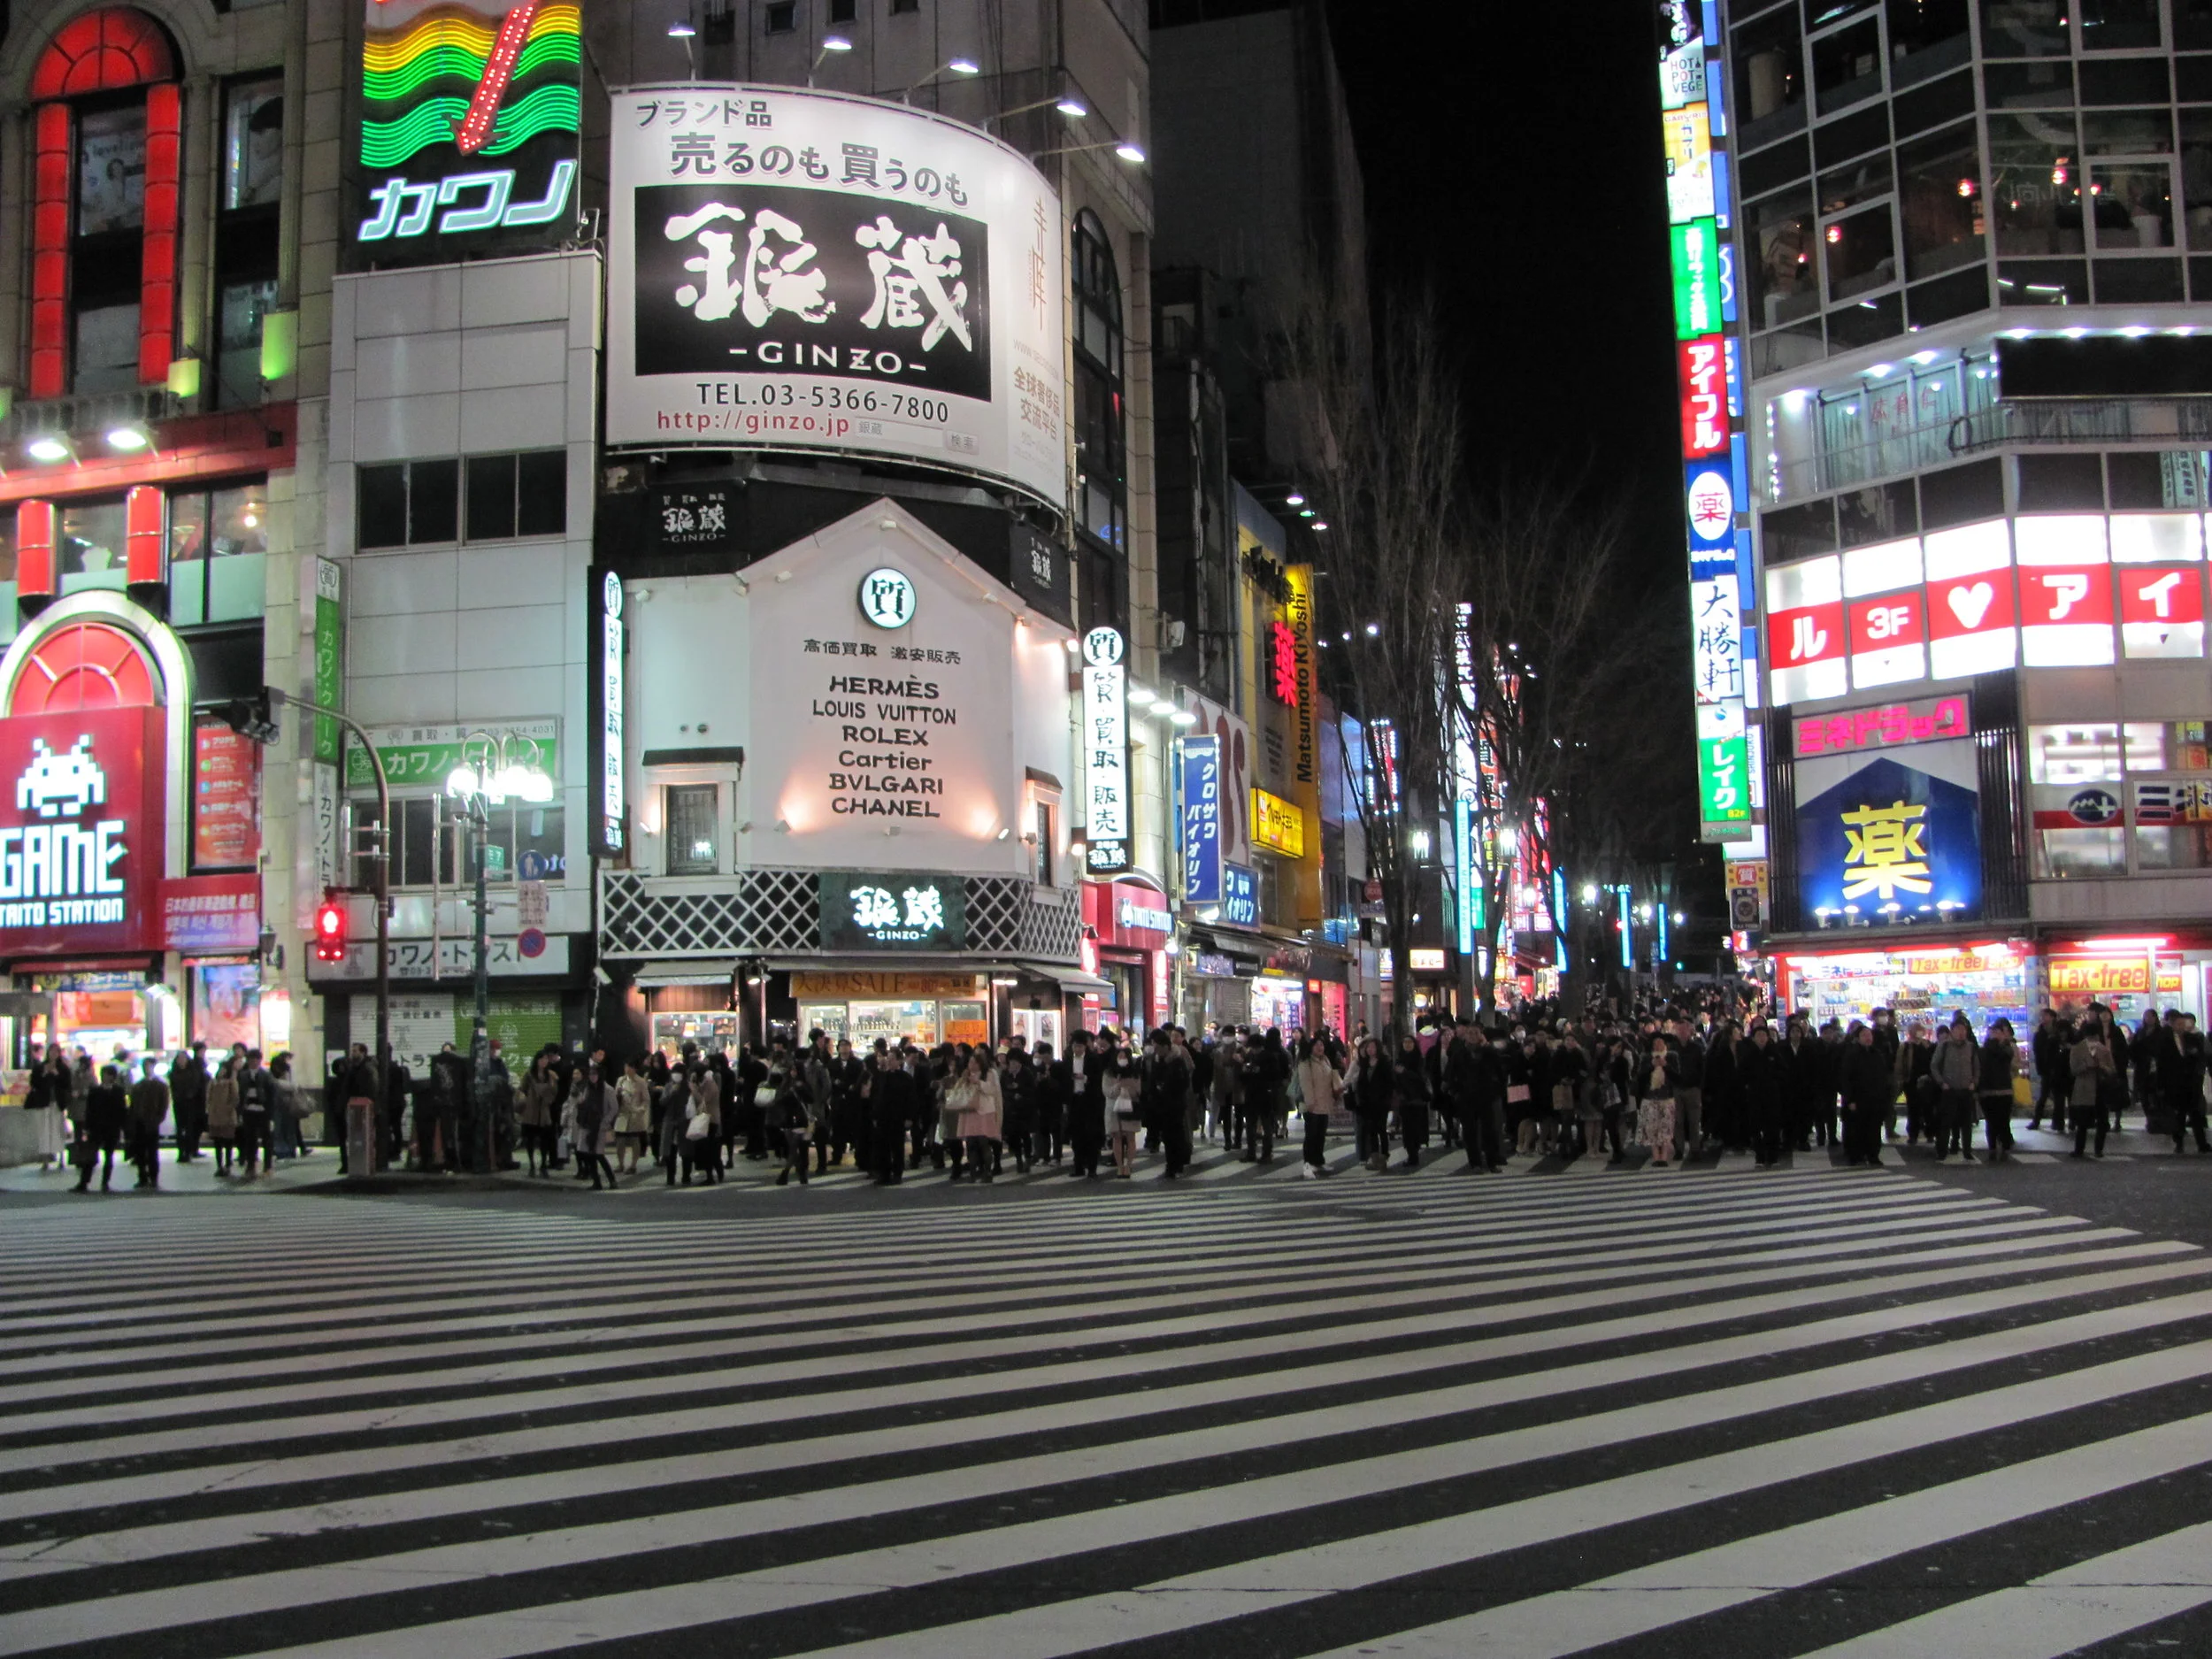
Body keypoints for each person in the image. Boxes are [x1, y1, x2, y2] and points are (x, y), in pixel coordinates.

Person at [1838, 1023, 1891, 1167]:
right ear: (1857, 1038)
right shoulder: (1852, 1055)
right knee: (1857, 1129)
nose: (1868, 1038)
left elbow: (1883, 1077)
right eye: (1864, 1035)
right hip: (1858, 1098)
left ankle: (1873, 1155)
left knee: (1874, 1129)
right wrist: (1850, 1100)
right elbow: (1846, 1079)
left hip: (1875, 1099)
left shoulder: (1877, 1054)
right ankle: (1855, 1155)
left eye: (1869, 1035)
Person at [1930, 1015, 1979, 1162]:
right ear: (1952, 1031)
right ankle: (1942, 1151)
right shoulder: (1944, 1046)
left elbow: (1976, 1067)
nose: (1961, 1032)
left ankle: (1967, 1151)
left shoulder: (1971, 1047)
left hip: (1966, 1090)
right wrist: (1941, 1082)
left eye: (1963, 1029)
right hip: (1949, 1090)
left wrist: (1974, 1083)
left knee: (1966, 1123)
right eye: (1958, 1029)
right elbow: (1934, 1066)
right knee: (1946, 1122)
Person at [1294, 1034, 1341, 1178]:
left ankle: (1319, 1161)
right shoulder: (1306, 1063)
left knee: (1321, 1135)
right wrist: (1310, 1103)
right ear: (1311, 1048)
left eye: (1322, 1045)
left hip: (1325, 1104)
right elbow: (1306, 1084)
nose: (1320, 1047)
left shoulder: (1325, 1060)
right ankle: (1309, 1163)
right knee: (1311, 1135)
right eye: (1317, 1045)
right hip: (1312, 1105)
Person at [75, 1064, 127, 1192]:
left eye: (107, 1075)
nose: (104, 1077)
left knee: (109, 1157)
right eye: (103, 1074)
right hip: (96, 1128)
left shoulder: (118, 1091)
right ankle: (84, 1182)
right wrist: (87, 1127)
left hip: (112, 1128)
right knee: (90, 1156)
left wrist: (123, 1127)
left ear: (112, 1077)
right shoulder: (95, 1091)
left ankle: (105, 1182)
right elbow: (89, 1110)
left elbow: (122, 1110)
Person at [2070, 1019, 2116, 1159]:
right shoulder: (2077, 1049)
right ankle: (2079, 1149)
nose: (2093, 1040)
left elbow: (2112, 1069)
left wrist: (2102, 1067)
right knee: (2082, 1123)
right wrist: (2085, 1066)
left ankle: (2098, 1149)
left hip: (2100, 1088)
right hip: (2084, 1089)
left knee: (2102, 1121)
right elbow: (2074, 1070)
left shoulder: (2103, 1050)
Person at [1978, 1018, 2020, 1163]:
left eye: (1999, 1032)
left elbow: (2006, 1056)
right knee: (1991, 1121)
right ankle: (1993, 1148)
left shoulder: (2007, 1048)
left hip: (2004, 1090)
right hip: (1988, 1090)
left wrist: (1998, 1042)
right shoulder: (1984, 1050)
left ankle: (2005, 1147)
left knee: (2003, 1121)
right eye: (1993, 1031)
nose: (1996, 1034)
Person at [1633, 1034, 1678, 1166]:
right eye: (1656, 1043)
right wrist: (1650, 1067)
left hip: (1667, 1097)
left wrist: (1666, 1067)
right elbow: (1640, 1078)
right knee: (1651, 1128)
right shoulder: (1646, 1058)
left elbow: (1677, 1077)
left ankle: (1663, 1156)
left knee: (1665, 1127)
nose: (1659, 1045)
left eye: (1661, 1042)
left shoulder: (1672, 1056)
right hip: (1650, 1097)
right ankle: (1655, 1156)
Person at [126, 1056, 169, 1188]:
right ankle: (142, 1177)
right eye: (145, 1067)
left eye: (149, 1066)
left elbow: (164, 1104)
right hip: (139, 1122)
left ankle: (153, 1176)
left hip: (152, 1122)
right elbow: (133, 1105)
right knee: (140, 1151)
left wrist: (158, 1118)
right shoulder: (138, 1086)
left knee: (152, 1152)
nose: (147, 1069)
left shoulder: (160, 1086)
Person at [235, 1048, 273, 1179]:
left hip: (263, 1111)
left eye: (256, 1059)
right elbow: (240, 1094)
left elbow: (271, 1094)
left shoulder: (266, 1075)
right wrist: (239, 1110)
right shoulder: (243, 1075)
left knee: (266, 1139)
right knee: (250, 1139)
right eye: (251, 1059)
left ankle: (268, 1166)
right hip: (248, 1110)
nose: (253, 1062)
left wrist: (270, 1111)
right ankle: (250, 1166)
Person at [169, 1042, 209, 1163]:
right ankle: (182, 1151)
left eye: (183, 1059)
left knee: (190, 1128)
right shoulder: (173, 1074)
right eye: (179, 1059)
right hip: (179, 1104)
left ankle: (188, 1150)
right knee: (180, 1128)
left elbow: (196, 1087)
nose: (181, 1061)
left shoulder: (193, 1073)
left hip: (191, 1105)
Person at [614, 1057, 652, 1174]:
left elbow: (646, 1099)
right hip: (622, 1114)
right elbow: (616, 1096)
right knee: (620, 1141)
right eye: (626, 1067)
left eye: (630, 1067)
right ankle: (620, 1164)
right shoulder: (621, 1080)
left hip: (635, 1115)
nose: (627, 1069)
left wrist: (640, 1110)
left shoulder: (640, 1082)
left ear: (635, 1069)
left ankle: (633, 1165)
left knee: (635, 1140)